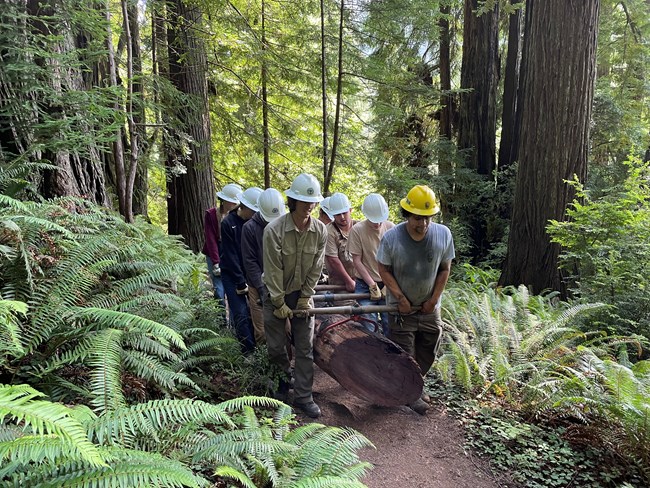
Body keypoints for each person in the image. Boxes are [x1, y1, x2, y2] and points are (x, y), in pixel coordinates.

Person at [377, 185, 454, 415]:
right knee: (405, 351)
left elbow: (444, 268)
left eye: (427, 218)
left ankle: (415, 385)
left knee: (428, 348)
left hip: (430, 307)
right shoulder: (392, 238)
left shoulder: (443, 234)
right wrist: (400, 297)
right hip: (401, 308)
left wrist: (434, 299)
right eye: (418, 219)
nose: (423, 224)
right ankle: (410, 394)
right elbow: (383, 268)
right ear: (407, 214)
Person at [263, 173, 327, 418]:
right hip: (275, 293)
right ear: (292, 201)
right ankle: (280, 389)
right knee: (276, 347)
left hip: (302, 294)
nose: (309, 206)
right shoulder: (274, 230)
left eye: (313, 202)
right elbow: (272, 268)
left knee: (304, 348)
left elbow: (316, 268)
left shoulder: (320, 231)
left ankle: (303, 397)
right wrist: (279, 302)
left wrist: (304, 298)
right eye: (304, 201)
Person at [220, 186, 263, 354]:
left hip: (252, 274)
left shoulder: (256, 225)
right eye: (253, 211)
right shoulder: (228, 223)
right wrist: (240, 281)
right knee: (240, 313)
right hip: (232, 275)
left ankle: (261, 348)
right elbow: (230, 256)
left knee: (257, 312)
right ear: (243, 207)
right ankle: (248, 351)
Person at [241, 188, 286, 345]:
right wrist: (261, 289)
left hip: (282, 284)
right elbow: (250, 261)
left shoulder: (286, 225)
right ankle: (265, 366)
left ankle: (285, 365)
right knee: (262, 330)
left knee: (286, 328)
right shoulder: (249, 228)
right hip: (257, 285)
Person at [348, 193, 394, 335]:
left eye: (380, 219)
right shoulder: (357, 230)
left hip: (388, 282)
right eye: (374, 220)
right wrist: (371, 284)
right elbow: (357, 260)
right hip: (364, 284)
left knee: (390, 324)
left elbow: (396, 259)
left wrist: (389, 284)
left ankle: (391, 355)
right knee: (369, 324)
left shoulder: (391, 228)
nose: (377, 223)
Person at [203, 183, 242, 303]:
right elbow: (210, 239)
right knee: (219, 289)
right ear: (224, 200)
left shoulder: (239, 217)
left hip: (231, 253)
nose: (233, 205)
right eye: (231, 202)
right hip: (215, 252)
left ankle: (235, 320)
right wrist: (216, 262)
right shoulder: (211, 215)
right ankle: (221, 319)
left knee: (234, 288)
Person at [324, 192, 358, 293]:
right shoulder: (329, 231)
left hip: (363, 280)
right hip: (340, 284)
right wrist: (349, 281)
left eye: (344, 212)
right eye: (338, 214)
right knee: (345, 307)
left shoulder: (360, 227)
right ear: (333, 215)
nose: (342, 217)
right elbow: (333, 260)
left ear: (350, 210)